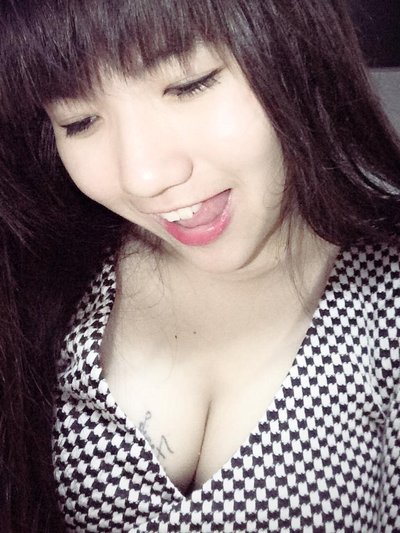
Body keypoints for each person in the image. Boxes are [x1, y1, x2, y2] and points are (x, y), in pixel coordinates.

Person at [0, 0, 399, 531]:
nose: (143, 177)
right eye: (79, 121)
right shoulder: (45, 272)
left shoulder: (384, 300)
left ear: (296, 51)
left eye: (190, 85)